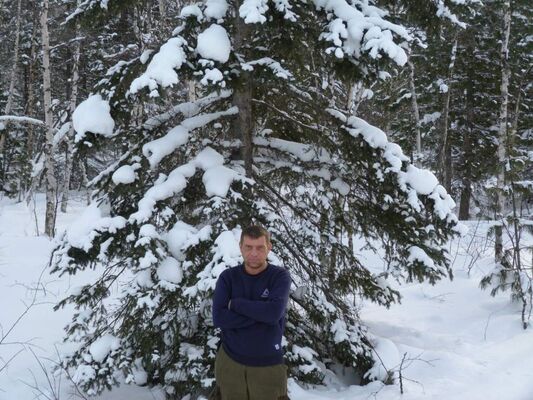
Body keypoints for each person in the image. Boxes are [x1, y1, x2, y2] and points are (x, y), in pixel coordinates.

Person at [211, 225, 291, 400]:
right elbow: (219, 318)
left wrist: (236, 304)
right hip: (230, 363)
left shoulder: (279, 277)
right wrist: (261, 315)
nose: (254, 253)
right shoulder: (228, 278)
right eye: (248, 247)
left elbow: (273, 314)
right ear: (241, 247)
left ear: (269, 247)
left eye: (260, 247)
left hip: (268, 366)